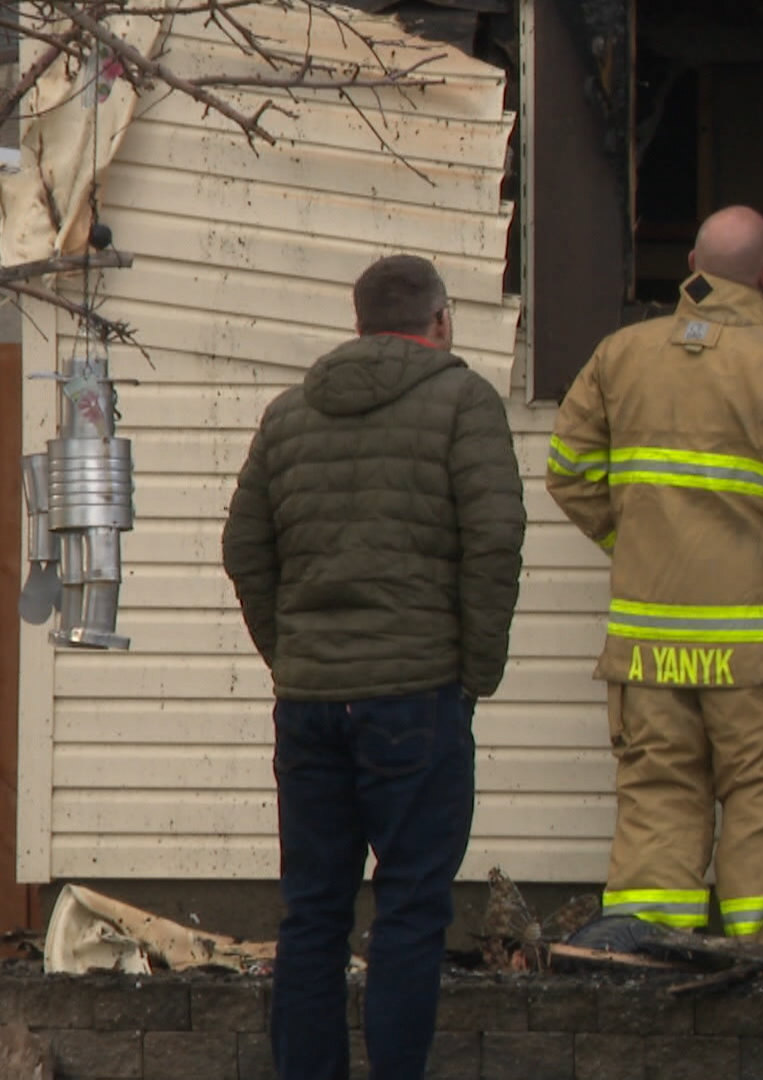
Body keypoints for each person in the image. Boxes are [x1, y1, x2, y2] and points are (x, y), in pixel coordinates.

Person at [221, 254, 527, 1079]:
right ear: (441, 321)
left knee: (312, 914)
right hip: (416, 699)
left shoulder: (290, 414)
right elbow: (495, 541)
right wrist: (475, 672)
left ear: (358, 324)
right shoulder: (465, 403)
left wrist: (291, 657)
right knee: (410, 911)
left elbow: (244, 547)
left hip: (314, 702)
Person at [548, 205, 763, 949]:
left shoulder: (619, 353)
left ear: (691, 261)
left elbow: (568, 470)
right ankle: (760, 942)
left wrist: (634, 542)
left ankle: (651, 933)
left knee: (659, 785)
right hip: (754, 643)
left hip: (650, 640)